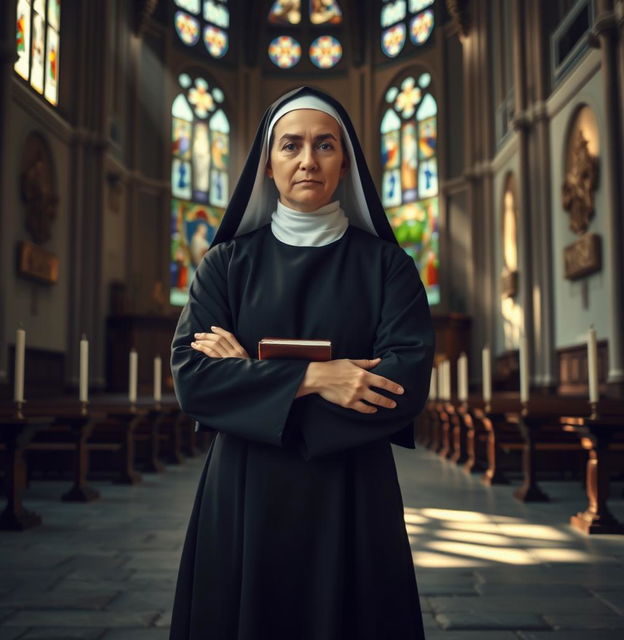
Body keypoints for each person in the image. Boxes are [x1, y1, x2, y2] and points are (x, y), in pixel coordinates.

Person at [169, 86, 434, 640]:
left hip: (352, 490)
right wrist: (320, 376)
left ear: (346, 161)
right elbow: (194, 379)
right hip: (244, 491)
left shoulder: (388, 267)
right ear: (268, 163)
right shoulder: (224, 265)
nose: (308, 160)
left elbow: (403, 383)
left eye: (325, 145)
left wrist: (252, 380)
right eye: (290, 145)